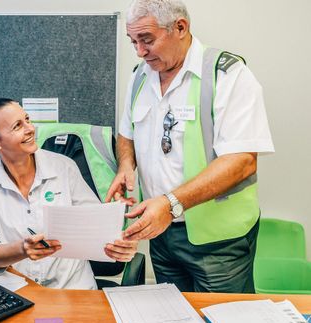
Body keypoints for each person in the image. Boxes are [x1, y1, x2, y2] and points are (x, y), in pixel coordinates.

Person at [106, 0, 274, 292]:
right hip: (161, 233)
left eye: (147, 39)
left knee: (223, 321)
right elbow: (127, 133)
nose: (140, 51)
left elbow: (242, 161)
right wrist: (125, 165)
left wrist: (170, 203)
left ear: (180, 27)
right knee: (173, 316)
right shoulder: (139, 76)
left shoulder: (227, 74)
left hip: (218, 240)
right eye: (133, 41)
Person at [0, 98, 137, 289]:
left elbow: (97, 227)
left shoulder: (64, 167)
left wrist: (120, 244)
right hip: (20, 290)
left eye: (27, 119)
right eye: (17, 126)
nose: (30, 129)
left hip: (72, 288)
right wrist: (22, 249)